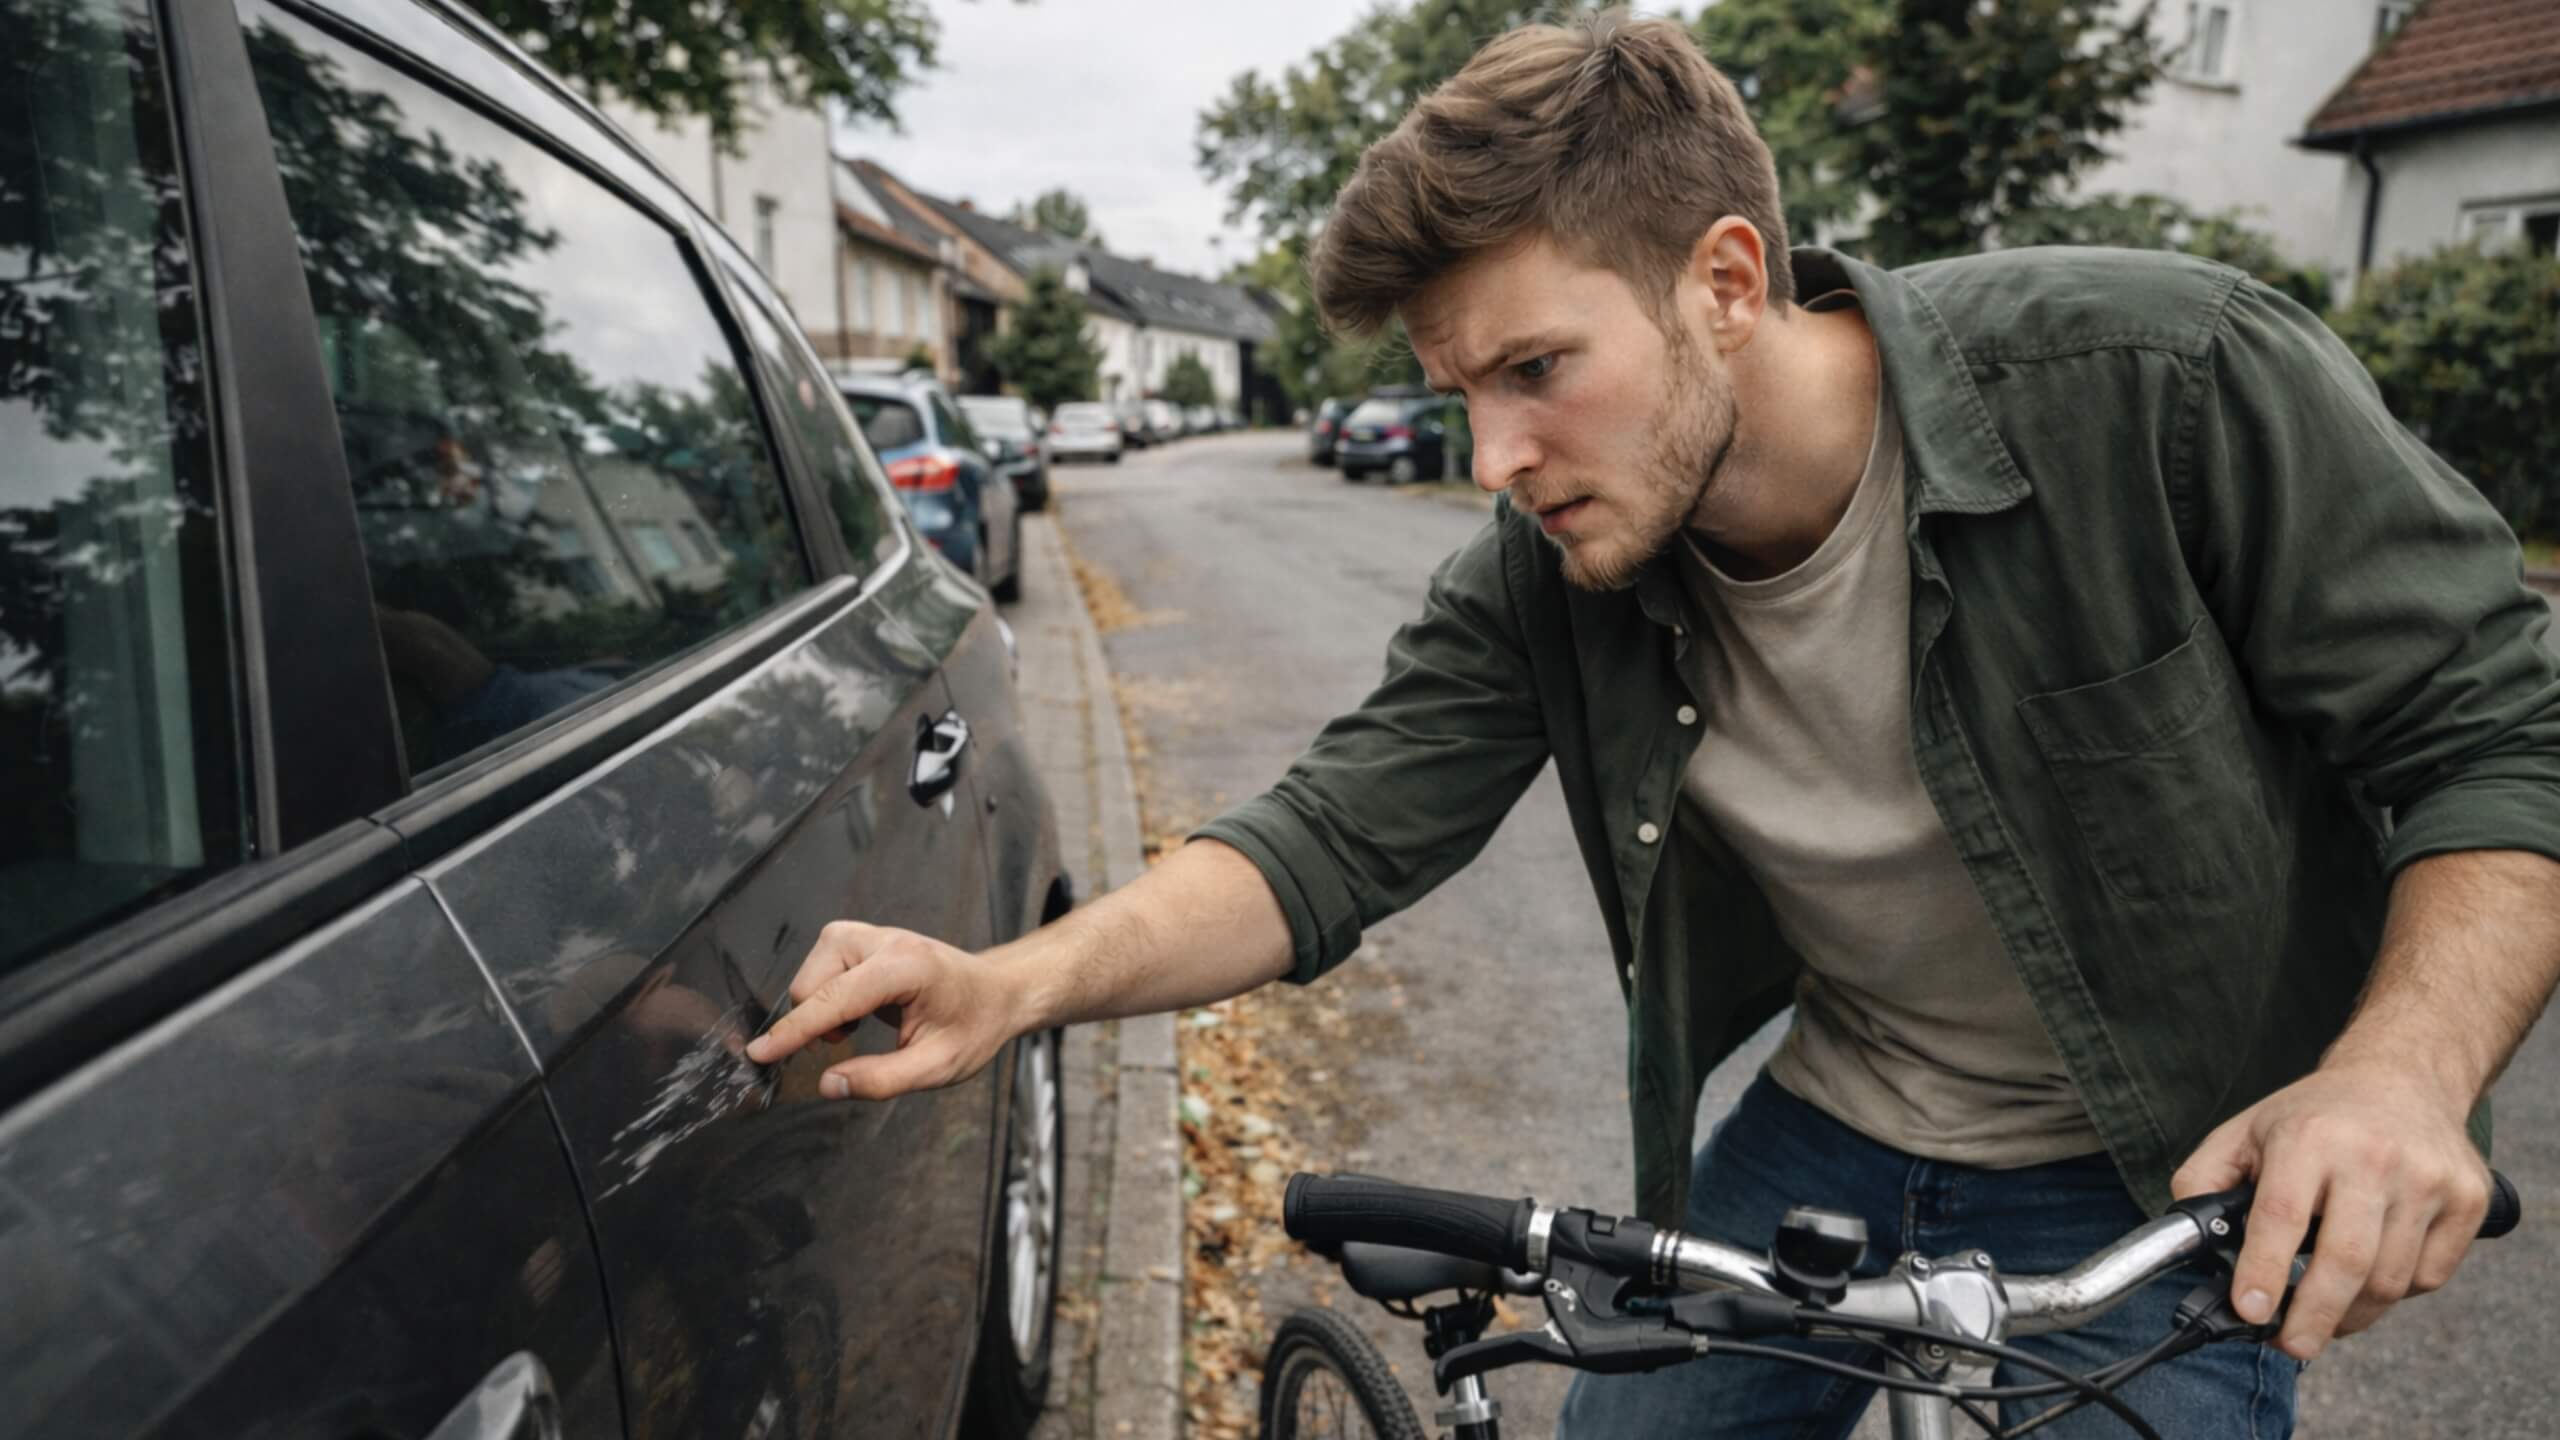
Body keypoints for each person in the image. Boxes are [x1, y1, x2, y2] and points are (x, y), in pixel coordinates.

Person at [747, 12, 2560, 1434]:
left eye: (1537, 370)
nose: (1497, 460)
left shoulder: (2161, 384)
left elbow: (2497, 731)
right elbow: (1326, 837)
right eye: (1459, 395)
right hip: (1828, 1130)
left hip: (2159, 1165)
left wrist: (2397, 1076)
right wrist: (1013, 981)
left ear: (1724, 278)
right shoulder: (1552, 565)